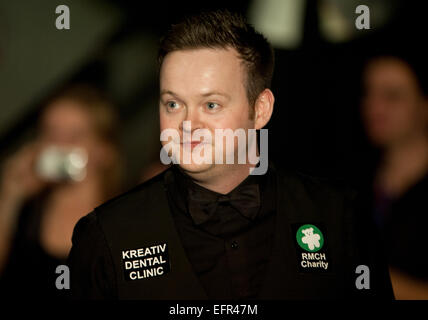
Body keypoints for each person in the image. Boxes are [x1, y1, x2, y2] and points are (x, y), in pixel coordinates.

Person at [68, 9, 393, 299]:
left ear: (260, 109)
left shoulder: (339, 218)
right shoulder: (107, 236)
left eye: (211, 104)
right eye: (173, 104)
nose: (187, 124)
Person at [0, 84, 122, 299]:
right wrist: (10, 198)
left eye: (75, 135)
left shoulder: (122, 223)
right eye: (51, 132)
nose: (59, 144)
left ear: (104, 150)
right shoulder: (26, 212)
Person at [361, 53, 428, 299]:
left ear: (424, 104)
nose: (374, 107)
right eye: (369, 93)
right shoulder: (355, 179)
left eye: (392, 96)